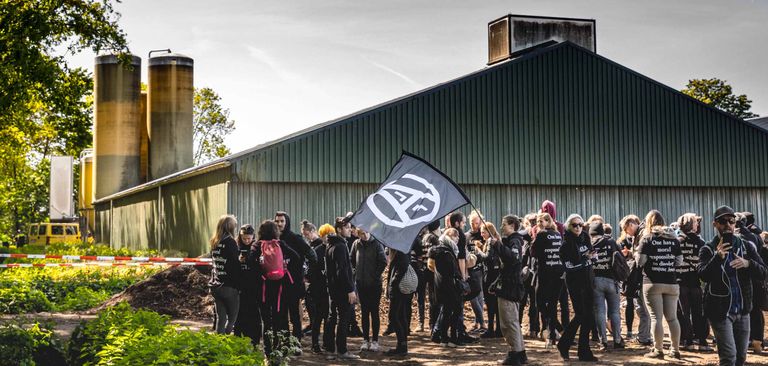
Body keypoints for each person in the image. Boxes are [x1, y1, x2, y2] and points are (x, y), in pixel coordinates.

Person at [700, 206, 767, 366]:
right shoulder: (708, 249)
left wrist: (748, 263)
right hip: (720, 311)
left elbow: (764, 272)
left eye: (731, 221)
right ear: (715, 224)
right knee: (728, 357)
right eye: (723, 221)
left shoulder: (746, 246)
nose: (728, 224)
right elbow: (702, 275)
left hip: (743, 310)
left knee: (741, 358)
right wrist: (717, 258)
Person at [635, 210, 682, 359]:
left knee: (656, 318)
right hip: (672, 283)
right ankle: (675, 350)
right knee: (672, 318)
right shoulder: (674, 239)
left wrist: (637, 254)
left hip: (652, 282)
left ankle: (658, 350)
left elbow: (640, 262)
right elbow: (679, 262)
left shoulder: (647, 238)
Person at [248, 220, 300, 356]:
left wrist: (260, 272)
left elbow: (249, 262)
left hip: (262, 288)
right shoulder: (280, 244)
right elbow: (296, 257)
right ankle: (277, 350)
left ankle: (267, 350)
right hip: (279, 288)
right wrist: (284, 266)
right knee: (278, 318)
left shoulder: (257, 245)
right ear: (275, 231)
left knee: (266, 320)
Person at [556, 214, 598, 362]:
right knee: (581, 314)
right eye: (575, 225)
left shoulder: (585, 237)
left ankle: (583, 351)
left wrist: (589, 257)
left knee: (588, 316)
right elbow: (569, 267)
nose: (578, 228)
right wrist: (585, 258)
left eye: (580, 225)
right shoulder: (566, 244)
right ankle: (564, 344)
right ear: (569, 226)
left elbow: (592, 255)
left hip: (588, 280)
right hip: (575, 283)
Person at [274, 211, 317, 342]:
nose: (280, 224)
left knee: (294, 315)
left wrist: (305, 273)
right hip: (277, 284)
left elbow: (312, 255)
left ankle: (296, 342)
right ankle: (285, 343)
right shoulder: (273, 239)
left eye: (282, 221)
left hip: (293, 283)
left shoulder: (295, 238)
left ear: (287, 222)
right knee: (281, 315)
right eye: (277, 221)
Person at [324, 217, 360, 360]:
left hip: (332, 290)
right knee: (343, 319)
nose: (350, 230)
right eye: (347, 227)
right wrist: (350, 289)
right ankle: (342, 351)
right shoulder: (340, 246)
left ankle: (330, 348)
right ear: (339, 229)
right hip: (341, 290)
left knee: (332, 317)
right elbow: (342, 271)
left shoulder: (330, 245)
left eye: (350, 227)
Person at [495, 215, 527, 365]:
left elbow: (513, 259)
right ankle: (520, 352)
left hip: (510, 287)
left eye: (504, 224)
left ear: (512, 225)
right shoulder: (513, 241)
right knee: (511, 321)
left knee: (509, 322)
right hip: (508, 285)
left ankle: (515, 354)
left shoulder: (515, 241)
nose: (502, 227)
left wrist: (498, 245)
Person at [676, 213, 710, 351]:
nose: (698, 225)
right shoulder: (701, 243)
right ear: (691, 225)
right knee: (698, 313)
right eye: (696, 222)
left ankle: (688, 341)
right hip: (695, 283)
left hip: (680, 281)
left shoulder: (677, 242)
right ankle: (702, 341)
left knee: (684, 313)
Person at [350, 228, 387, 352]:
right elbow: (352, 260)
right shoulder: (356, 244)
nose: (364, 235)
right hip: (361, 284)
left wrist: (375, 276)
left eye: (366, 232)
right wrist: (357, 275)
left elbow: (383, 262)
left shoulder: (377, 243)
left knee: (374, 312)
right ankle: (365, 340)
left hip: (375, 285)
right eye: (361, 233)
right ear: (358, 234)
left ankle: (375, 340)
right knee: (364, 312)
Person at [531, 212, 564, 349]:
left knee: (539, 302)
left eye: (541, 221)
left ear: (547, 221)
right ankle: (554, 334)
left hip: (545, 274)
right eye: (537, 221)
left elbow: (534, 253)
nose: (538, 224)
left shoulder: (541, 235)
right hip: (558, 273)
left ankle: (556, 329)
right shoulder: (557, 235)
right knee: (552, 304)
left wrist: (535, 240)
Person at [590, 221, 625, 350]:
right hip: (612, 280)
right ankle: (617, 340)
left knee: (600, 311)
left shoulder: (590, 244)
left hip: (596, 281)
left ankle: (603, 341)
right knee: (614, 312)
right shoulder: (611, 242)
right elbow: (621, 259)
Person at [428, 228, 463, 348]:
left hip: (441, 284)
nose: (457, 238)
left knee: (447, 311)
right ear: (449, 236)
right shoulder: (446, 251)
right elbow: (452, 270)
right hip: (449, 285)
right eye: (455, 236)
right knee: (455, 309)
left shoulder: (440, 249)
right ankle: (451, 337)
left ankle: (445, 338)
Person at [618, 214, 650, 345]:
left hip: (643, 276)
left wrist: (632, 254)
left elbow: (641, 257)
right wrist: (630, 253)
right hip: (641, 276)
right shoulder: (639, 234)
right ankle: (644, 336)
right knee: (642, 308)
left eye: (626, 230)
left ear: (631, 224)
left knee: (644, 309)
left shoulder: (642, 234)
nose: (627, 233)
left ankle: (644, 337)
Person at [209, 214, 242, 335]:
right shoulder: (230, 242)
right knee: (233, 318)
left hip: (216, 285)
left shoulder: (214, 242)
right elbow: (235, 266)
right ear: (230, 228)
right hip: (229, 286)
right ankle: (227, 338)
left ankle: (220, 345)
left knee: (221, 318)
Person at [233, 224, 262, 346]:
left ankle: (254, 340)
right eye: (244, 238)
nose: (246, 241)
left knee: (254, 314)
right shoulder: (236, 247)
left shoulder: (256, 247)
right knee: (240, 314)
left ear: (253, 237)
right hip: (240, 286)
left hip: (254, 286)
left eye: (249, 238)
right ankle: (239, 339)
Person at [307, 222, 332, 354]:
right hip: (318, 290)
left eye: (330, 234)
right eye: (325, 235)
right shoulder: (317, 251)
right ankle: (315, 344)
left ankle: (328, 343)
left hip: (330, 290)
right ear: (321, 236)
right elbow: (311, 271)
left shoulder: (334, 249)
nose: (328, 237)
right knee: (317, 318)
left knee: (329, 318)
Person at [387, 242, 414, 356]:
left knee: (394, 316)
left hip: (399, 289)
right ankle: (402, 345)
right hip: (402, 288)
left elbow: (402, 267)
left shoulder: (401, 250)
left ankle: (402, 345)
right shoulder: (402, 249)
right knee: (400, 315)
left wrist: (393, 283)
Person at [519, 213, 540, 339]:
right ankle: (534, 328)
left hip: (525, 273)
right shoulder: (537, 237)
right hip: (534, 273)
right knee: (534, 303)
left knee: (521, 302)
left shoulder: (526, 238)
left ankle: (519, 327)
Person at [480, 222, 503, 338]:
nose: (481, 234)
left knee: (490, 304)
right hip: (497, 275)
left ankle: (490, 329)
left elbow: (487, 258)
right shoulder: (497, 240)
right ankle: (498, 329)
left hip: (490, 276)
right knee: (497, 303)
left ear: (489, 232)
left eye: (483, 232)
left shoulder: (490, 241)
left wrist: (478, 252)